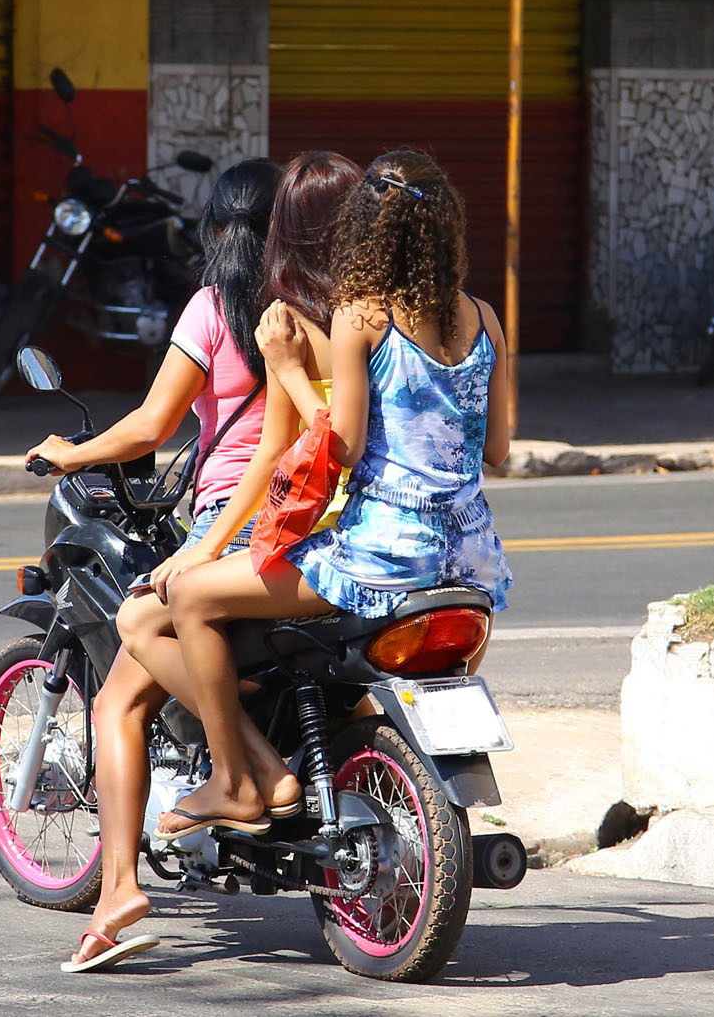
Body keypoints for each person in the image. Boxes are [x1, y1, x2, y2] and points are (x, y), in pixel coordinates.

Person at [40, 151, 359, 972]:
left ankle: (128, 879)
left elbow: (152, 426)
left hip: (242, 516)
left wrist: (69, 455)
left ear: (220, 233)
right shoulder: (324, 311)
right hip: (325, 519)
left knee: (118, 691)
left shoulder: (218, 310)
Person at [154, 148, 513, 838]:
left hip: (383, 557)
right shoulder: (485, 319)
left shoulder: (361, 320)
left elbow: (340, 446)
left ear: (367, 231)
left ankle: (233, 781)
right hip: (473, 565)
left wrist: (286, 367)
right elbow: (497, 450)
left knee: (192, 595)